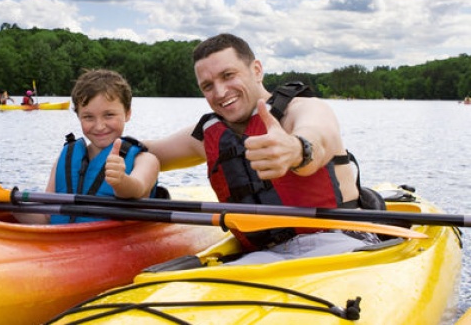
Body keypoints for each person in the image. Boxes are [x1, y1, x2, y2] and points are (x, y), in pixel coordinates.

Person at [145, 33, 382, 264]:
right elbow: (148, 153)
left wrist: (295, 150)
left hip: (339, 243)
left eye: (228, 75)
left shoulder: (302, 109)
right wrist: (110, 130)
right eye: (208, 86)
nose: (220, 92)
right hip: (264, 256)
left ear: (256, 70)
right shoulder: (206, 135)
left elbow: (319, 139)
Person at [20, 69, 160, 224]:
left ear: (127, 113)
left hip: (115, 243)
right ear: (79, 116)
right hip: (63, 242)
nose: (99, 126)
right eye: (88, 117)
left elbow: (138, 188)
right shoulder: (65, 157)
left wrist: (121, 182)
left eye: (109, 115)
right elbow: (46, 216)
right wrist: (10, 207)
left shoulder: (146, 160)